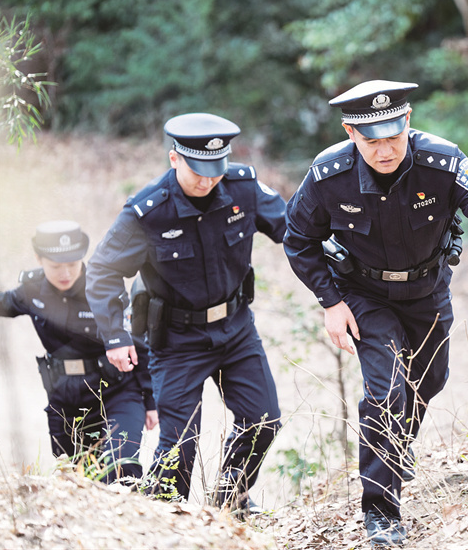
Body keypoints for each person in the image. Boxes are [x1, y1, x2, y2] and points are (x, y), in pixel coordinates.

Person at [282, 80, 468, 545]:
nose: (385, 150)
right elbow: (297, 240)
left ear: (408, 120)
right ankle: (381, 511)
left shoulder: (444, 160)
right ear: (350, 134)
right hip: (363, 295)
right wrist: (331, 302)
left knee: (430, 379)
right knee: (385, 392)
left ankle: (396, 446)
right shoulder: (327, 174)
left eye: (393, 137)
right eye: (372, 141)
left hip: (427, 290)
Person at [86, 113, 287, 515]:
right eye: (198, 171)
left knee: (263, 419)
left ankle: (232, 499)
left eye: (216, 170)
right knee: (179, 442)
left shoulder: (242, 188)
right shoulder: (148, 212)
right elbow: (102, 270)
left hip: (235, 330)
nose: (207, 180)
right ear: (175, 159)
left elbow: (293, 227)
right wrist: (115, 335)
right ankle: (166, 518)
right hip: (177, 340)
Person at [1, 220, 157, 483]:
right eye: (55, 266)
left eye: (72, 264)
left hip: (117, 391)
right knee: (76, 480)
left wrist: (151, 400)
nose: (65, 273)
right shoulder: (31, 289)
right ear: (39, 259)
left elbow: (138, 344)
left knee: (121, 469)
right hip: (65, 397)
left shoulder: (103, 288)